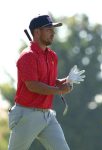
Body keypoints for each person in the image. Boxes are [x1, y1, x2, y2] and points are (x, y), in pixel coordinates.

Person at [8, 14, 73, 150]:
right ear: (37, 32)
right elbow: (33, 85)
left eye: (52, 29)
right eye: (48, 29)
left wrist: (60, 82)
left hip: (47, 115)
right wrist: (59, 90)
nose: (53, 33)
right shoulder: (27, 56)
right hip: (27, 115)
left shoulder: (52, 56)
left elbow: (47, 81)